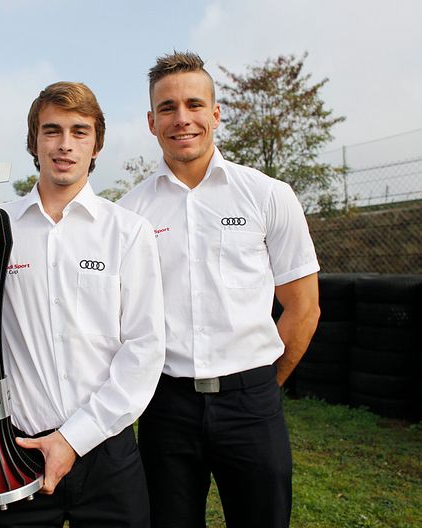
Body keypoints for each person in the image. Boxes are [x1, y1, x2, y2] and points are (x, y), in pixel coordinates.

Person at [0, 81, 165, 528]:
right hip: (16, 452)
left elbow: (144, 350)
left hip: (107, 451)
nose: (65, 145)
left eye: (80, 131)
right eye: (52, 130)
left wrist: (74, 439)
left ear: (97, 144)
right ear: (34, 140)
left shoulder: (129, 232)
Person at [117, 51, 321, 528]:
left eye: (193, 104)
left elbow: (303, 308)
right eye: (167, 108)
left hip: (252, 403)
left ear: (216, 113)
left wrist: (263, 389)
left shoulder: (269, 195)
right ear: (151, 121)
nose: (181, 118)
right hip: (165, 406)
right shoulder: (129, 214)